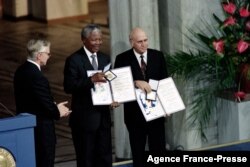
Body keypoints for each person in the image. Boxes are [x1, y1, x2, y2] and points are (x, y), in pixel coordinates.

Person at [63, 24, 118, 167]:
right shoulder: (74, 60)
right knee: (86, 159)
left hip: (103, 119)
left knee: (105, 158)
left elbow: (111, 82)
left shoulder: (105, 58)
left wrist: (114, 97)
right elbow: (68, 87)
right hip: (84, 120)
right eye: (94, 40)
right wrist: (91, 80)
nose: (98, 43)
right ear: (84, 40)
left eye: (100, 39)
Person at [13, 34, 71, 167]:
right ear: (39, 55)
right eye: (48, 54)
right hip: (41, 132)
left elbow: (34, 100)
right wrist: (58, 111)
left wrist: (53, 105)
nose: (49, 56)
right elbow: (45, 105)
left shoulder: (20, 71)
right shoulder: (37, 77)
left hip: (26, 128)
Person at [114, 27, 168, 167]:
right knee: (138, 155)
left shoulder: (157, 56)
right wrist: (135, 82)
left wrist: (167, 104)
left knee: (159, 154)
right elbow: (119, 86)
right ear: (131, 42)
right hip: (135, 116)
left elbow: (164, 82)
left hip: (156, 114)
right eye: (139, 42)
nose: (144, 44)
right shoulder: (122, 59)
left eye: (145, 40)